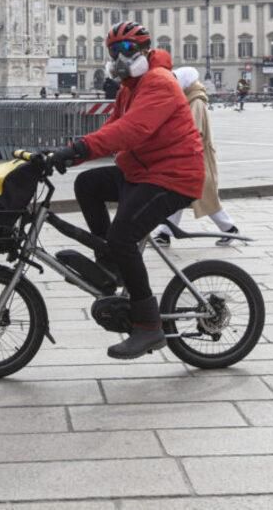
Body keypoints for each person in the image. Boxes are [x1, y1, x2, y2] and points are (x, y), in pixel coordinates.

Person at [49, 21, 204, 360]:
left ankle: (148, 326)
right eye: (113, 52)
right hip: (142, 171)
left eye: (126, 51)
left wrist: (78, 148)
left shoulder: (159, 83)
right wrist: (68, 156)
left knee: (123, 237)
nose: (119, 58)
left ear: (145, 51)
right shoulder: (128, 89)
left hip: (173, 176)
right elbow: (112, 130)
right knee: (87, 184)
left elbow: (132, 130)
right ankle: (111, 265)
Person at [153, 67, 239, 247]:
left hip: (196, 157)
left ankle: (230, 229)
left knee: (204, 195)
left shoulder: (196, 101)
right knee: (179, 192)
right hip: (190, 156)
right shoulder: (190, 99)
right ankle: (165, 232)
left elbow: (192, 130)